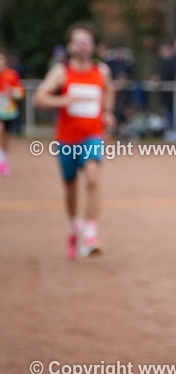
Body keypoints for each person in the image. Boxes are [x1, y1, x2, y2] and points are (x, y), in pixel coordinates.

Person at [33, 23, 115, 258]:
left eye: (87, 41)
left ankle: (91, 233)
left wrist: (107, 112)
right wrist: (62, 101)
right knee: (70, 187)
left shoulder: (102, 71)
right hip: (67, 139)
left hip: (93, 135)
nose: (83, 46)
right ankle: (74, 227)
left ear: (92, 46)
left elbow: (109, 90)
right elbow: (38, 98)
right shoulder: (61, 72)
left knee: (92, 177)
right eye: (79, 42)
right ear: (70, 46)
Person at [0, 49, 25, 176]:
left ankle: (4, 159)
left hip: (7, 111)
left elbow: (20, 93)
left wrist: (12, 93)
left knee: (5, 136)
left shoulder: (11, 75)